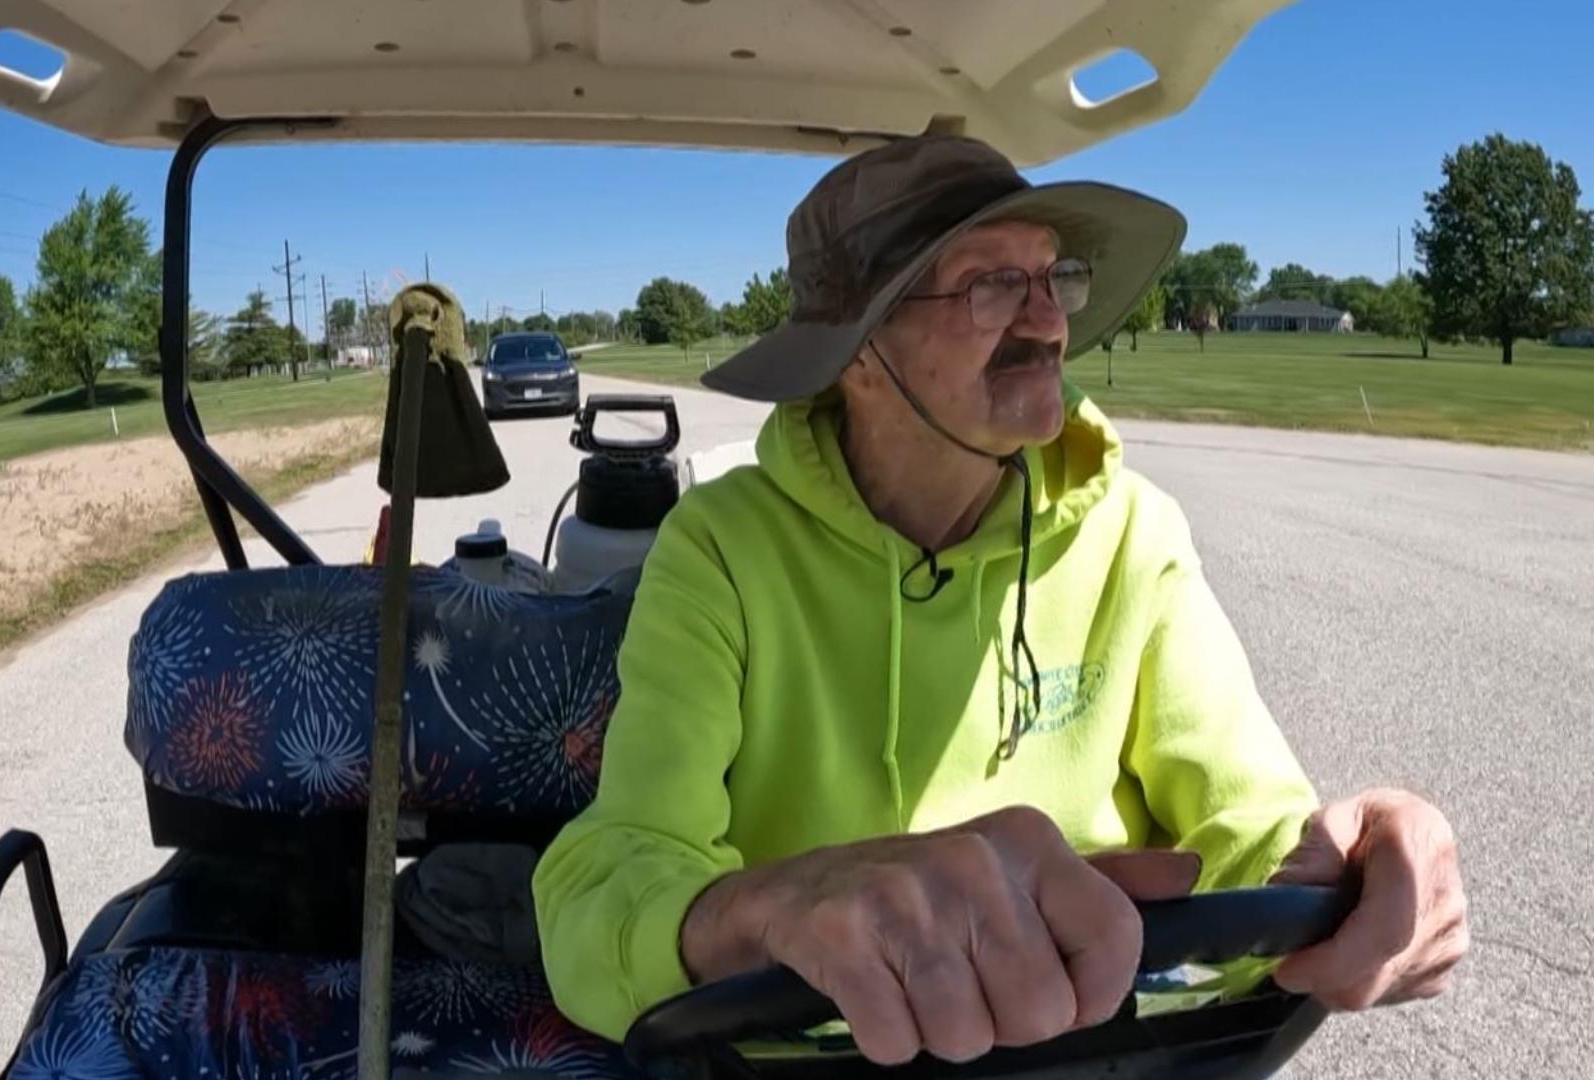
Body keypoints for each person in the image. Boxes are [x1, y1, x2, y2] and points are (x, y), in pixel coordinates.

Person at [531, 135, 1467, 1065]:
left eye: (1052, 279)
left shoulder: (1132, 532)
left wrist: (1352, 857)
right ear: (854, 356)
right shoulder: (722, 546)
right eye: (989, 284)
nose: (1048, 322)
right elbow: (609, 877)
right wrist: (772, 908)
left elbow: (1248, 829)